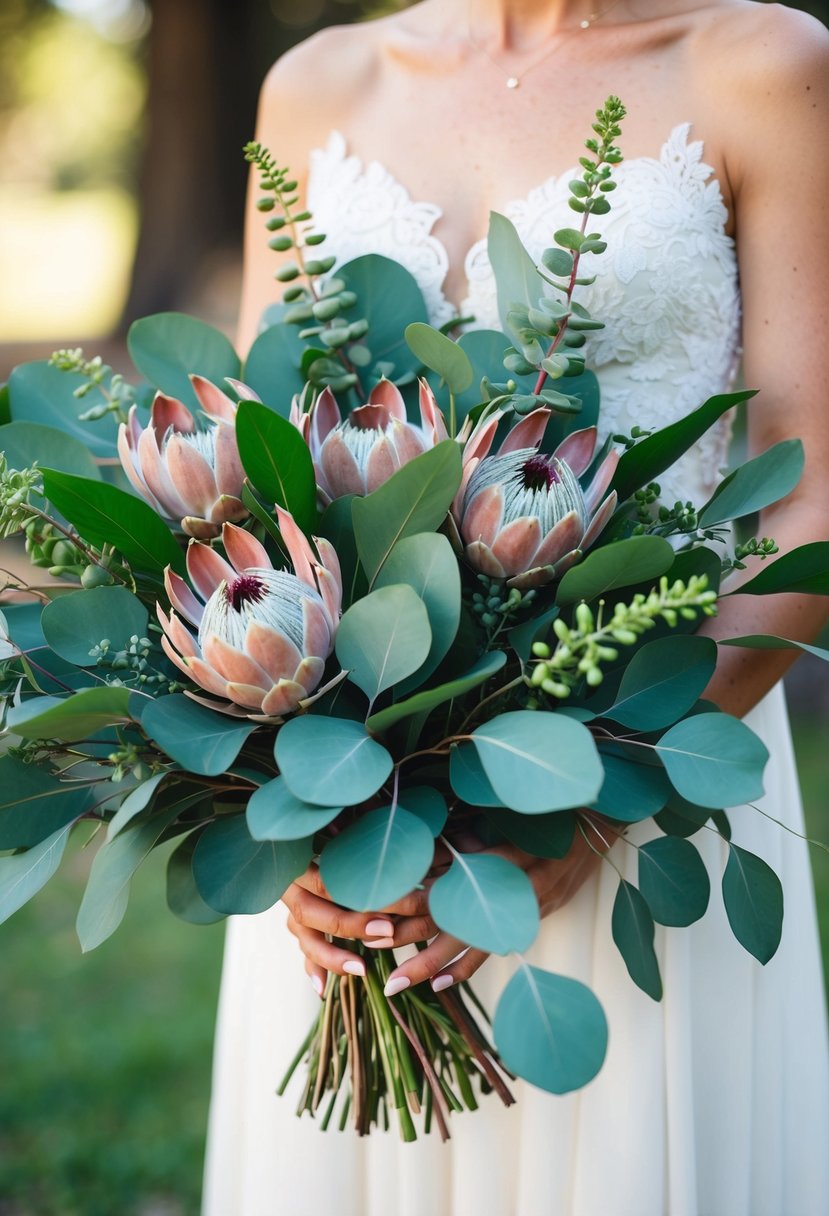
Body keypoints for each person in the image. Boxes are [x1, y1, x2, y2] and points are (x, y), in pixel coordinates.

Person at [203, 3, 829, 1213]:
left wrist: (585, 810)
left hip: (649, 783)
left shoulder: (764, 66)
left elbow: (812, 503)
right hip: (350, 819)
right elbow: (252, 482)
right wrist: (267, 810)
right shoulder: (315, 83)